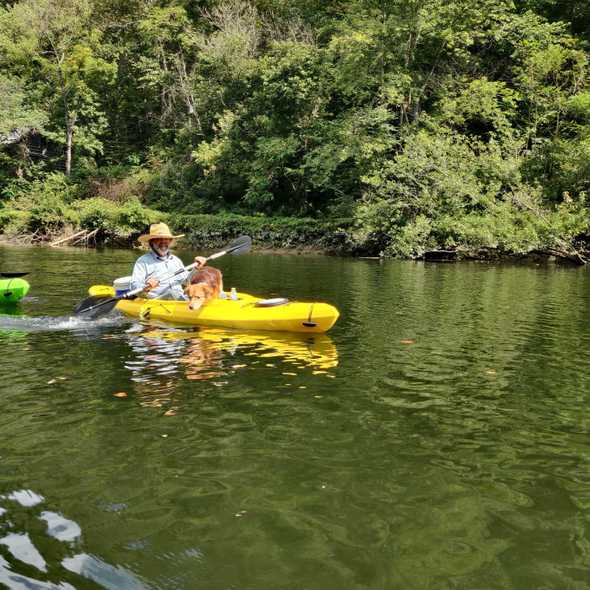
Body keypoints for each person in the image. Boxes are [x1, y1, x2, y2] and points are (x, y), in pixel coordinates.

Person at [131, 223, 207, 300]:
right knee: (172, 293)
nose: (163, 242)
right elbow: (134, 285)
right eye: (159, 239)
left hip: (179, 298)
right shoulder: (142, 261)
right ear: (152, 242)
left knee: (214, 291)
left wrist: (196, 268)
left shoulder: (176, 260)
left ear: (170, 241)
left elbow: (187, 281)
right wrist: (146, 287)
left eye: (166, 239)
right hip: (157, 301)